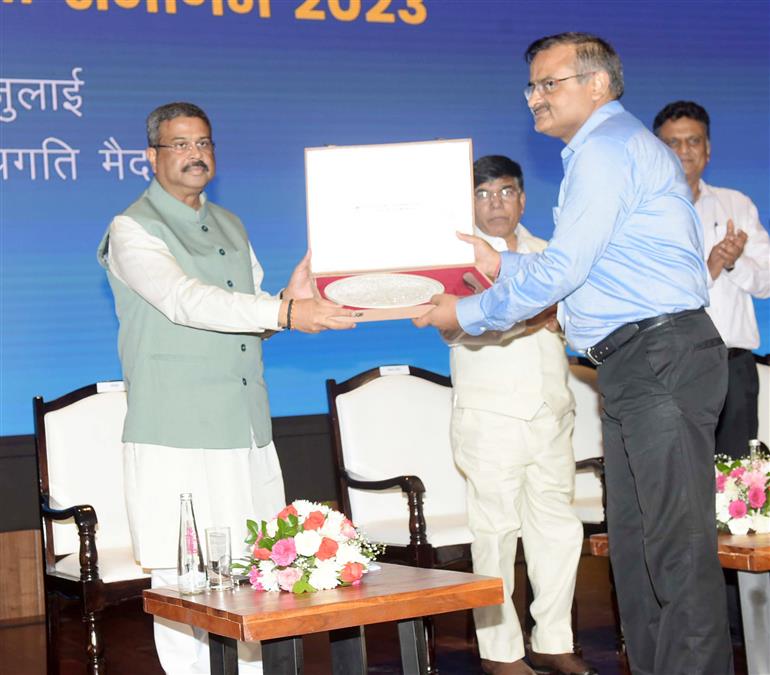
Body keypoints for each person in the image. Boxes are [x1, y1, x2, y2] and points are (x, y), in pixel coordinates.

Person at [415, 33, 733, 674]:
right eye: (530, 85)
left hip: (660, 356)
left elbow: (563, 268)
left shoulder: (608, 150)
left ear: (598, 85)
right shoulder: (604, 153)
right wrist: (500, 264)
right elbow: (597, 271)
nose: (534, 97)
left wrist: (468, 312)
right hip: (636, 364)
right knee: (639, 549)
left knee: (675, 549)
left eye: (548, 82)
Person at [97, 101, 355, 674]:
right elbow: (186, 301)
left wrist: (285, 300)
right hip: (176, 432)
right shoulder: (131, 228)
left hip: (245, 427)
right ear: (151, 157)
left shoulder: (231, 225)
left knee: (255, 575)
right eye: (180, 144)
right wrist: (286, 310)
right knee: (184, 581)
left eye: (204, 143)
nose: (195, 155)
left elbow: (251, 319)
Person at [445, 155, 594, 675]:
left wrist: (562, 319)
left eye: (505, 192)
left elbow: (580, 326)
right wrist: (538, 317)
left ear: (523, 199)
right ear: (468, 203)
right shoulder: (455, 263)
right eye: (483, 194)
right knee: (495, 535)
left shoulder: (551, 256)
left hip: (552, 415)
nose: (495, 204)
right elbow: (461, 328)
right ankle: (500, 652)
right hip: (489, 420)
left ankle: (554, 641)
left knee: (558, 532)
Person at [654, 100, 770, 459]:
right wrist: (711, 268)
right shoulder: (645, 212)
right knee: (676, 475)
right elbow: (651, 295)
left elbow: (766, 282)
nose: (684, 151)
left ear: (708, 148)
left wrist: (735, 263)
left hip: (733, 366)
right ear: (657, 151)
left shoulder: (736, 204)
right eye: (673, 143)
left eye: (694, 141)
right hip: (670, 366)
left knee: (735, 481)